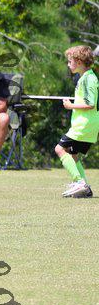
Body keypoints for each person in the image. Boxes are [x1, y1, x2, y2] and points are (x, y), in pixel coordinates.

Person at [55, 45, 97, 198]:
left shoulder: (88, 79)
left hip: (84, 125)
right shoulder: (86, 77)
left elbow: (90, 104)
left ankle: (79, 182)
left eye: (70, 61)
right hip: (87, 125)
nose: (68, 64)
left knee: (59, 149)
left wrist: (70, 105)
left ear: (79, 62)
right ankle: (85, 188)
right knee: (73, 154)